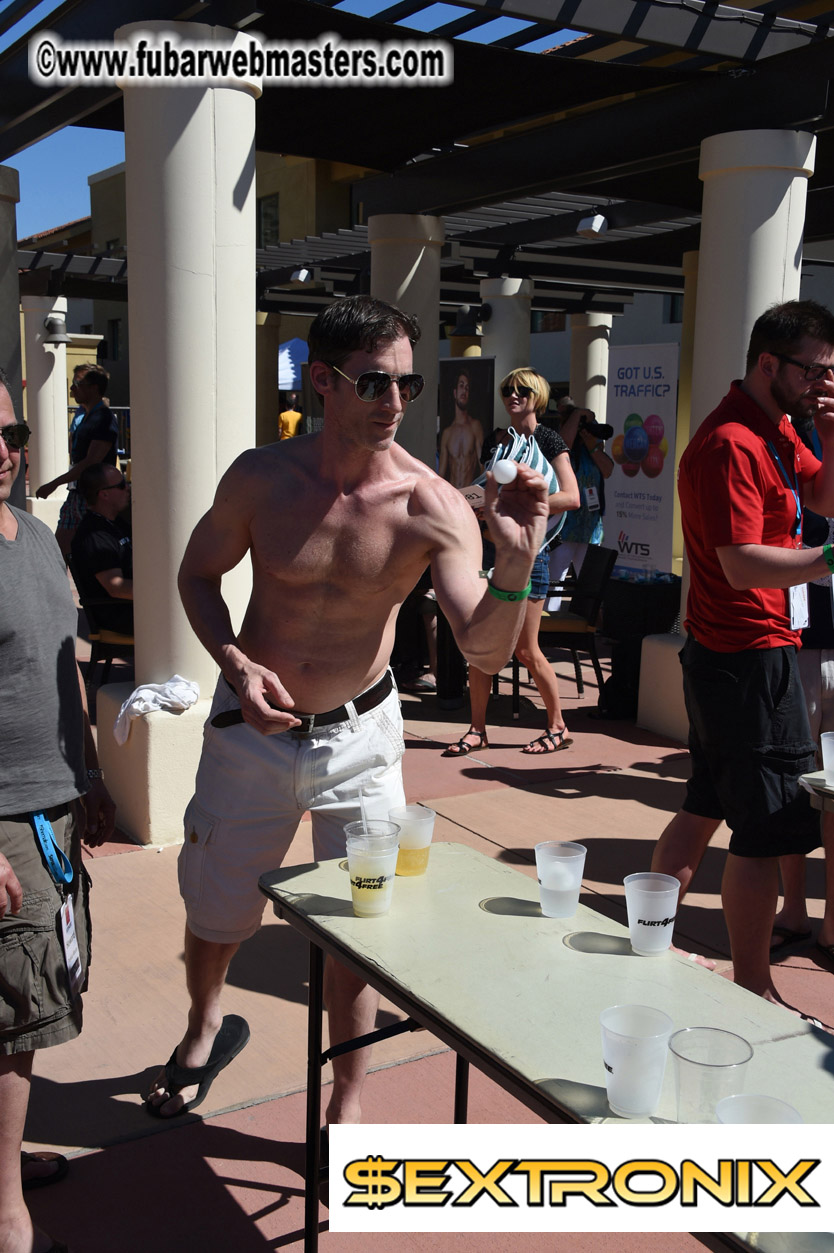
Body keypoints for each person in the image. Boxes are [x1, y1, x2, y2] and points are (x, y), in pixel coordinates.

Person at [146, 295, 548, 1124]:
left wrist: (517, 563)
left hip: (361, 742)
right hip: (249, 735)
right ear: (323, 382)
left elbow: (481, 645)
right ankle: (203, 1021)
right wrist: (234, 660)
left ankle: (349, 1098)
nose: (394, 403)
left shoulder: (432, 505)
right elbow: (195, 575)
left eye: (408, 384)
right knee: (216, 910)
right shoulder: (262, 478)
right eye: (374, 384)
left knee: (360, 930)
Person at [650, 299, 834, 1004]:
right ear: (769, 363)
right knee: (762, 828)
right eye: (813, 370)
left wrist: (828, 420)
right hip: (745, 656)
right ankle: (755, 985)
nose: (822, 381)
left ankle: (652, 943)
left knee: (703, 805)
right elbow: (739, 563)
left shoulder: (778, 427)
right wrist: (828, 559)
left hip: (740, 654)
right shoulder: (733, 441)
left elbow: (825, 491)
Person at [0, 368, 116, 1253]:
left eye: (11, 434)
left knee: (36, 992)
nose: (4, 451)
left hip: (56, 805)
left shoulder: (38, 538)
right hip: (3, 817)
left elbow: (65, 664)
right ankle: (7, 1206)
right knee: (15, 1013)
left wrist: (95, 774)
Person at [443, 367, 580, 757]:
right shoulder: (497, 440)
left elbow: (571, 497)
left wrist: (518, 505)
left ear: (537, 395)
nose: (513, 395)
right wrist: (472, 504)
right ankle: (476, 730)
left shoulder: (550, 440)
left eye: (521, 390)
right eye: (507, 389)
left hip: (530, 554)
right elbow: (483, 489)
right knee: (480, 647)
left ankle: (557, 726)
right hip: (489, 552)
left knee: (525, 650)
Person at [769, 411, 834, 958]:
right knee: (796, 781)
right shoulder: (796, 437)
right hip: (801, 640)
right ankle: (793, 908)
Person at [36, 363, 118, 558]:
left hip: (93, 498)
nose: (72, 388)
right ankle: (59, 589)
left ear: (94, 388)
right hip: (77, 494)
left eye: (77, 383)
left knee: (91, 554)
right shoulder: (86, 416)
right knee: (59, 551)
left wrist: (53, 484)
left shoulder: (103, 418)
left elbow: (91, 462)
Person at [548, 404, 614, 610]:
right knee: (555, 581)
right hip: (565, 527)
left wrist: (592, 444)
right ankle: (549, 623)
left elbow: (608, 469)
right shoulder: (564, 451)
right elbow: (563, 442)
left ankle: (586, 624)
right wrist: (577, 415)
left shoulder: (593, 448)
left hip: (590, 528)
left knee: (589, 582)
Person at [70, 463, 133, 635]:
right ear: (104, 494)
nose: (127, 488)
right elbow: (117, 588)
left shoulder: (116, 523)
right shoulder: (94, 535)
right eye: (121, 485)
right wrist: (163, 593)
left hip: (134, 608)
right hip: (119, 616)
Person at [438, 367, 485, 488]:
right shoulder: (447, 433)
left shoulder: (475, 426)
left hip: (471, 496)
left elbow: (483, 466)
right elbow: (441, 474)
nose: (464, 390)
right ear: (455, 393)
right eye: (461, 385)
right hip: (453, 495)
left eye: (467, 388)